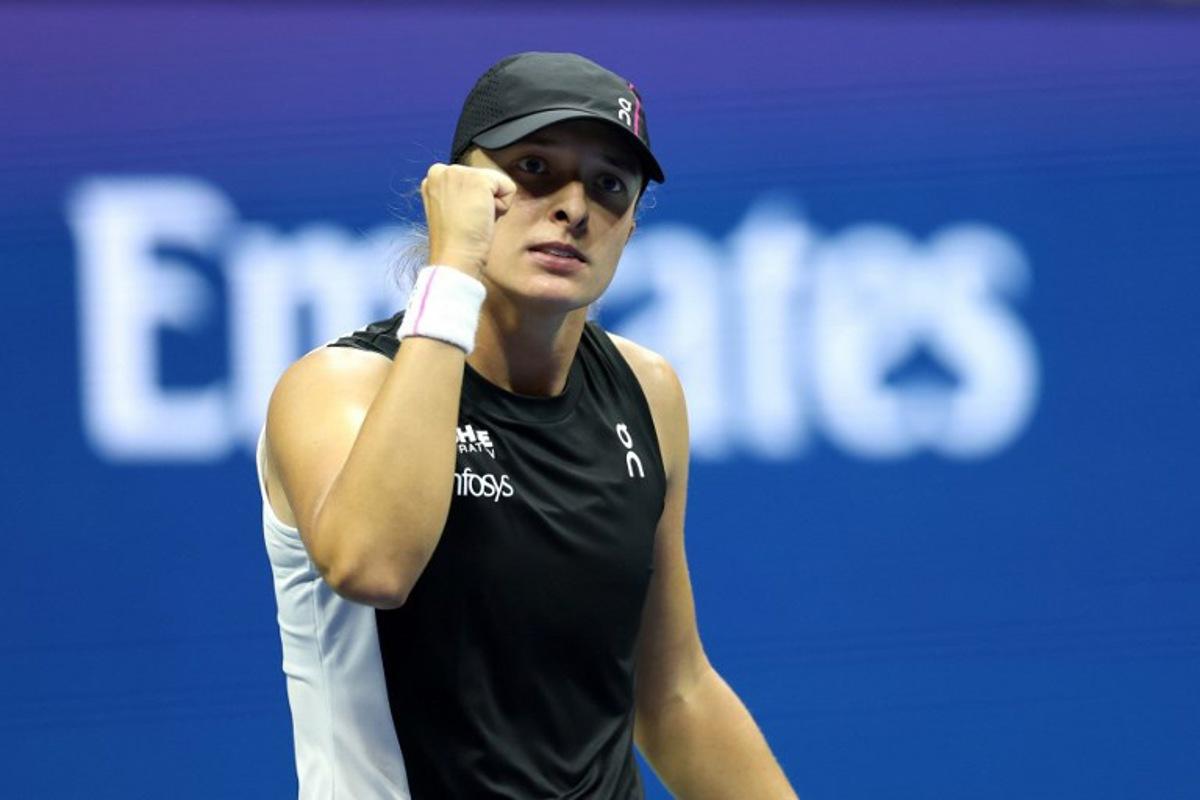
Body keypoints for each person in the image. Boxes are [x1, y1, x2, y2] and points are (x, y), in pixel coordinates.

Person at [257, 51, 798, 799]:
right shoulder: (340, 385)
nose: (575, 207)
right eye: (535, 168)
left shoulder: (648, 392)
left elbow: (673, 696)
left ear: (632, 226)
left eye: (610, 185)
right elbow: (373, 566)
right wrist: (450, 271)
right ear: (457, 192)